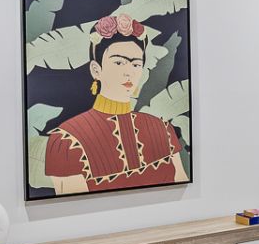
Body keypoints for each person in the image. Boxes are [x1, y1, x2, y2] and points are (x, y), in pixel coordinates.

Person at [44, 14, 188, 193]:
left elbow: (181, 186)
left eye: (136, 65)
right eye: (119, 62)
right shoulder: (67, 140)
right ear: (96, 70)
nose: (129, 72)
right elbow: (73, 205)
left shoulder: (162, 130)